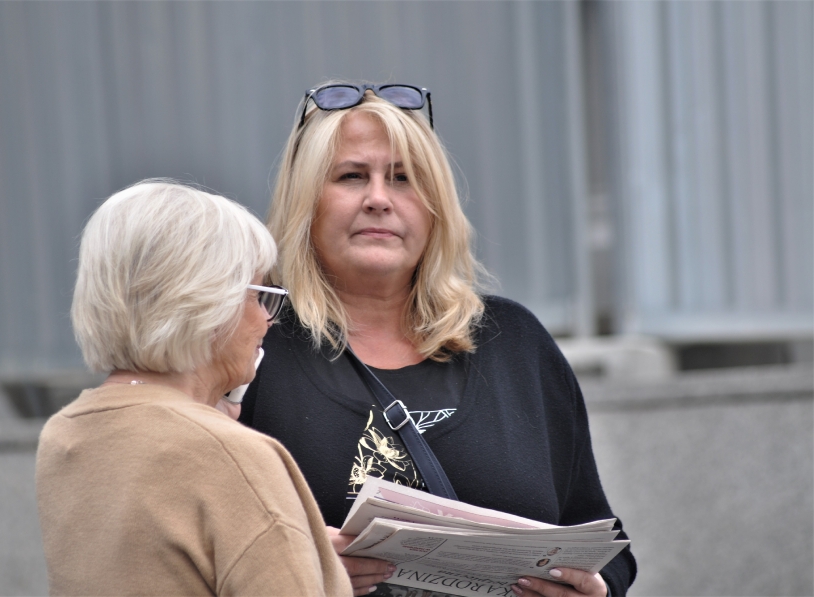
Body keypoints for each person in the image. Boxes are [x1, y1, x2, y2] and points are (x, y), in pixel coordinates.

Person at [238, 83, 637, 597]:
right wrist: (294, 570)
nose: (378, 199)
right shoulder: (252, 345)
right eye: (351, 176)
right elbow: (200, 546)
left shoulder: (515, 343)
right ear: (306, 201)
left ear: (435, 207)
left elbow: (603, 539)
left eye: (404, 178)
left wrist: (595, 588)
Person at [36, 180, 352, 596]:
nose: (268, 319)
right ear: (205, 303)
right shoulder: (234, 456)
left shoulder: (64, 433)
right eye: (259, 295)